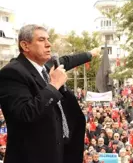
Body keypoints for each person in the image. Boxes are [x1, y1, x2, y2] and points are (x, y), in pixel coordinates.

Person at [0, 24, 100, 163]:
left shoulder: (45, 67)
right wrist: (53, 86)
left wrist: (90, 54)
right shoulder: (12, 73)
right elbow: (25, 113)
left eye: (48, 39)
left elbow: (66, 60)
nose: (49, 44)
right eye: (41, 40)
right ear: (25, 45)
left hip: (59, 154)